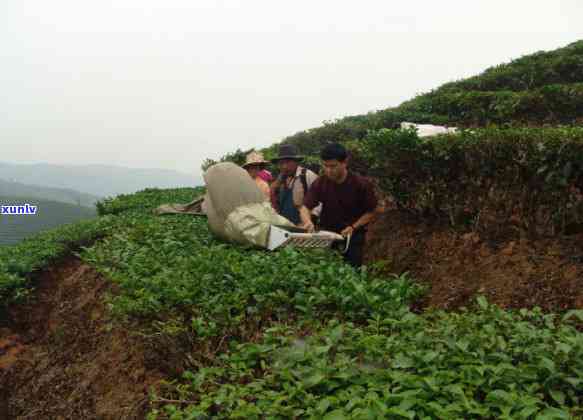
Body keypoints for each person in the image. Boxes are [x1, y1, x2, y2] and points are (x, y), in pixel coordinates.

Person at [299, 143, 380, 267]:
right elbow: (305, 207)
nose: (329, 170)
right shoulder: (321, 182)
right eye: (325, 166)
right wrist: (307, 221)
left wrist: (353, 227)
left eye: (333, 166)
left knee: (352, 268)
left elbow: (372, 211)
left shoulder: (360, 184)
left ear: (344, 162)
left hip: (353, 235)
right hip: (328, 234)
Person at [270, 144, 318, 225]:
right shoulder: (280, 180)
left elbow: (320, 202)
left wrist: (310, 220)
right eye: (281, 163)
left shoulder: (307, 176)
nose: (284, 166)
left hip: (304, 228)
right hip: (285, 227)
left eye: (288, 162)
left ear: (296, 162)